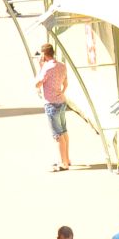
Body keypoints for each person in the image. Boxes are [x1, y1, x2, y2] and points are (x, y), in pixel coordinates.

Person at [35, 44, 70, 172]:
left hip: (51, 103)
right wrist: (61, 92)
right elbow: (66, 84)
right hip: (61, 101)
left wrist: (40, 68)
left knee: (57, 135)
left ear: (44, 55)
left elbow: (37, 84)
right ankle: (66, 159)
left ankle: (63, 163)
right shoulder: (62, 66)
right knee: (64, 131)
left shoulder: (46, 68)